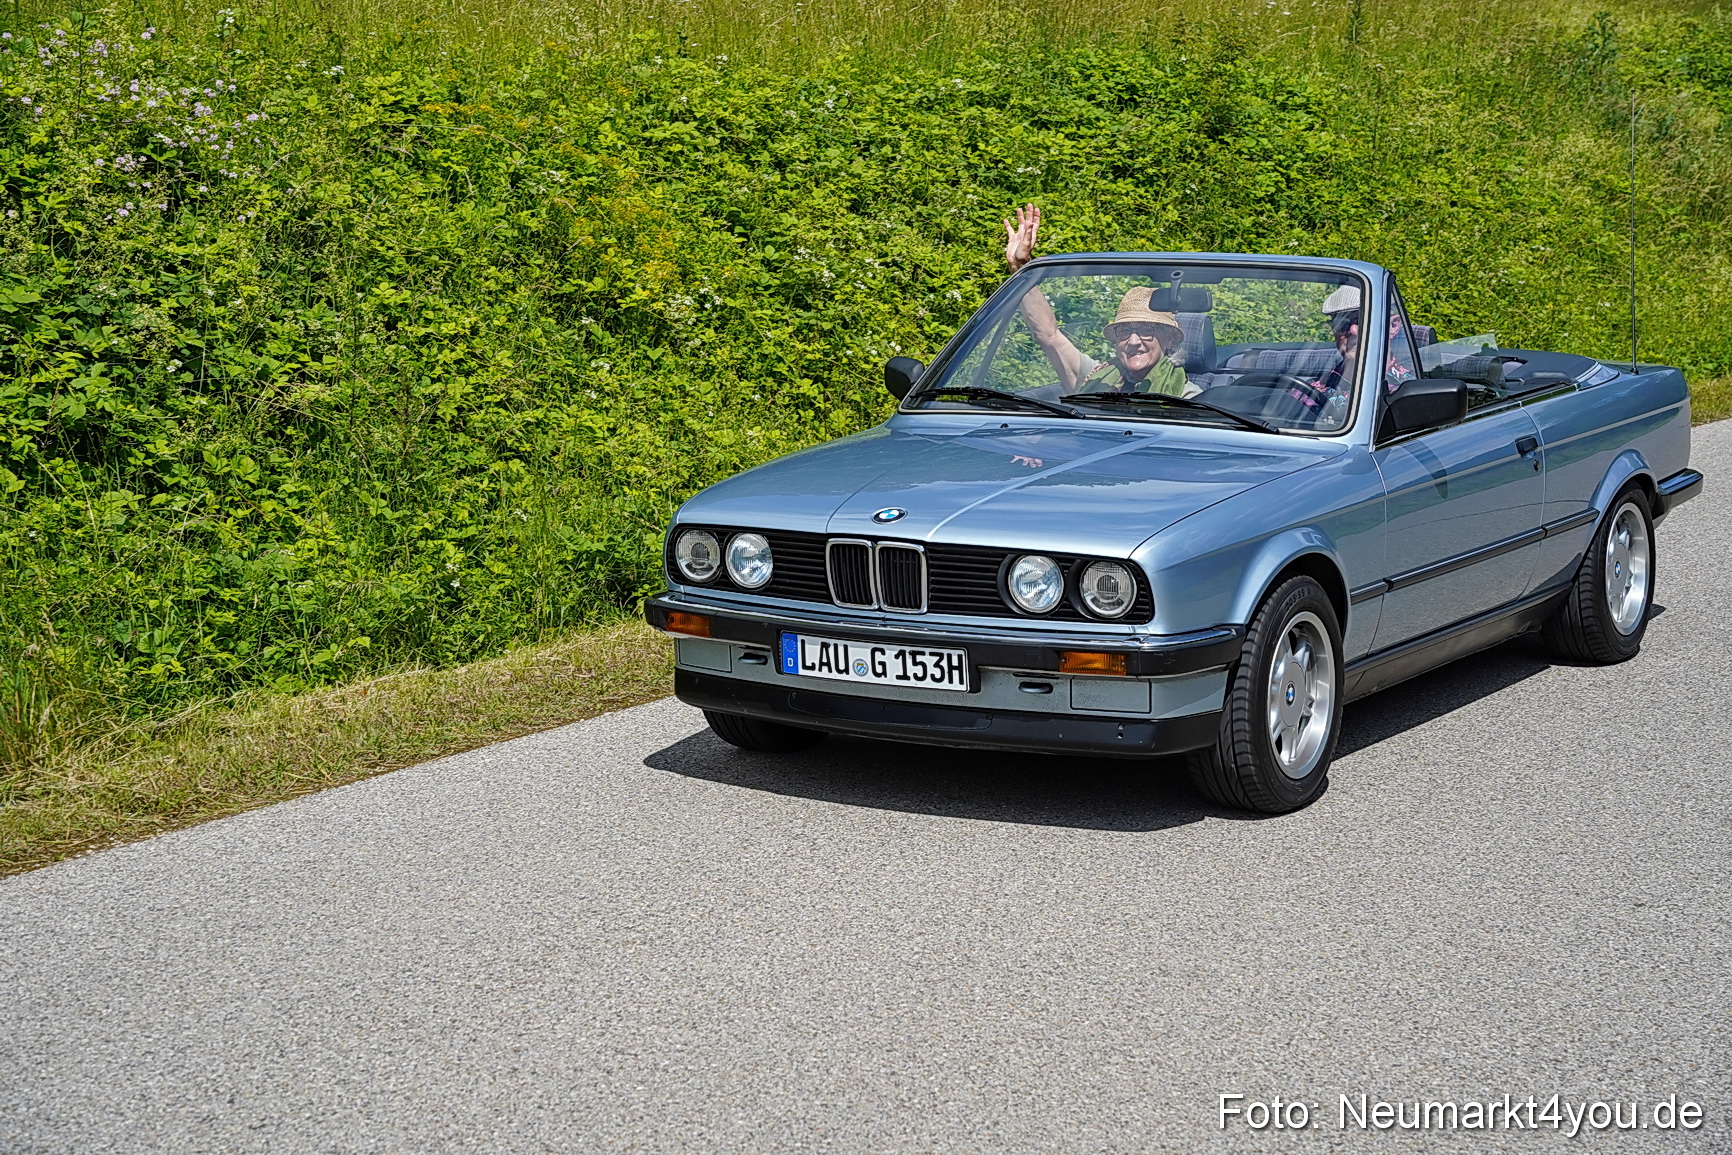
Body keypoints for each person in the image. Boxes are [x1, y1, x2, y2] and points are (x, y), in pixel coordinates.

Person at [1002, 204, 1198, 398]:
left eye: (1147, 330)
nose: (1133, 341)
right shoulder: (1096, 378)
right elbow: (1048, 334)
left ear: (1169, 338)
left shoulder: (1188, 396)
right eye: (1124, 331)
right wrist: (1021, 269)